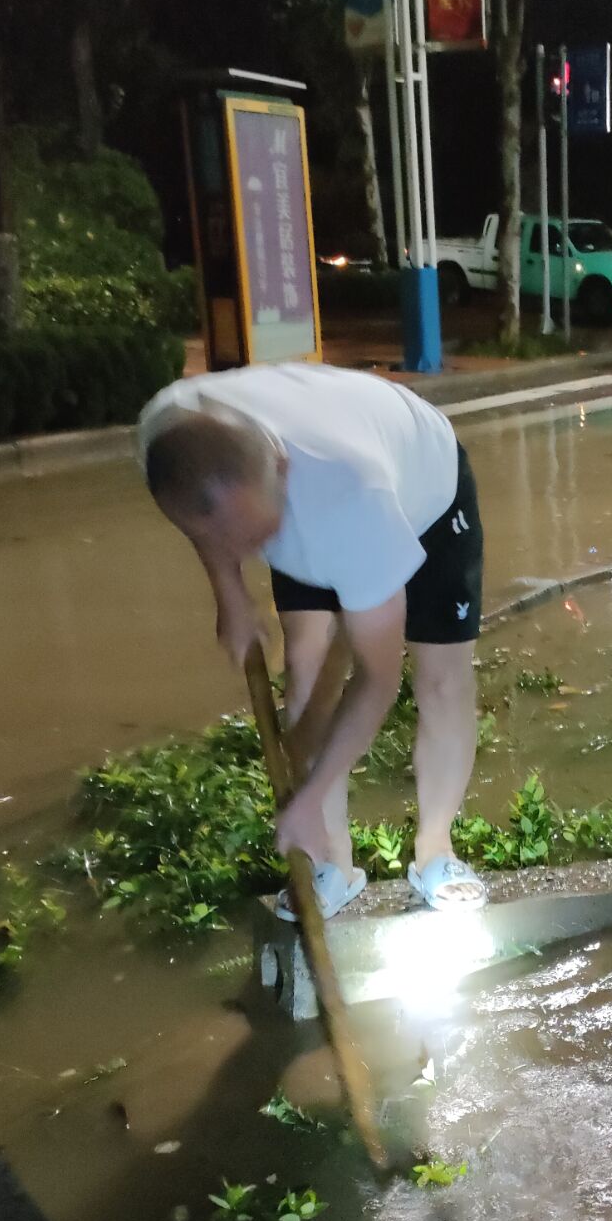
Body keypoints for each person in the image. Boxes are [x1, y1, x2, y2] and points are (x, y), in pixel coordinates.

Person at [138, 361, 486, 917]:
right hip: (308, 506)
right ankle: (332, 863)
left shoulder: (349, 497)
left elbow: (377, 680)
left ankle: (436, 851)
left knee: (441, 679)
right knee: (305, 664)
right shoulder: (167, 429)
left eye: (256, 539)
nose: (248, 551)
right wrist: (229, 590)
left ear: (281, 468)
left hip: (427, 494)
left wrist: (307, 795)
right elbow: (199, 517)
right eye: (237, 544)